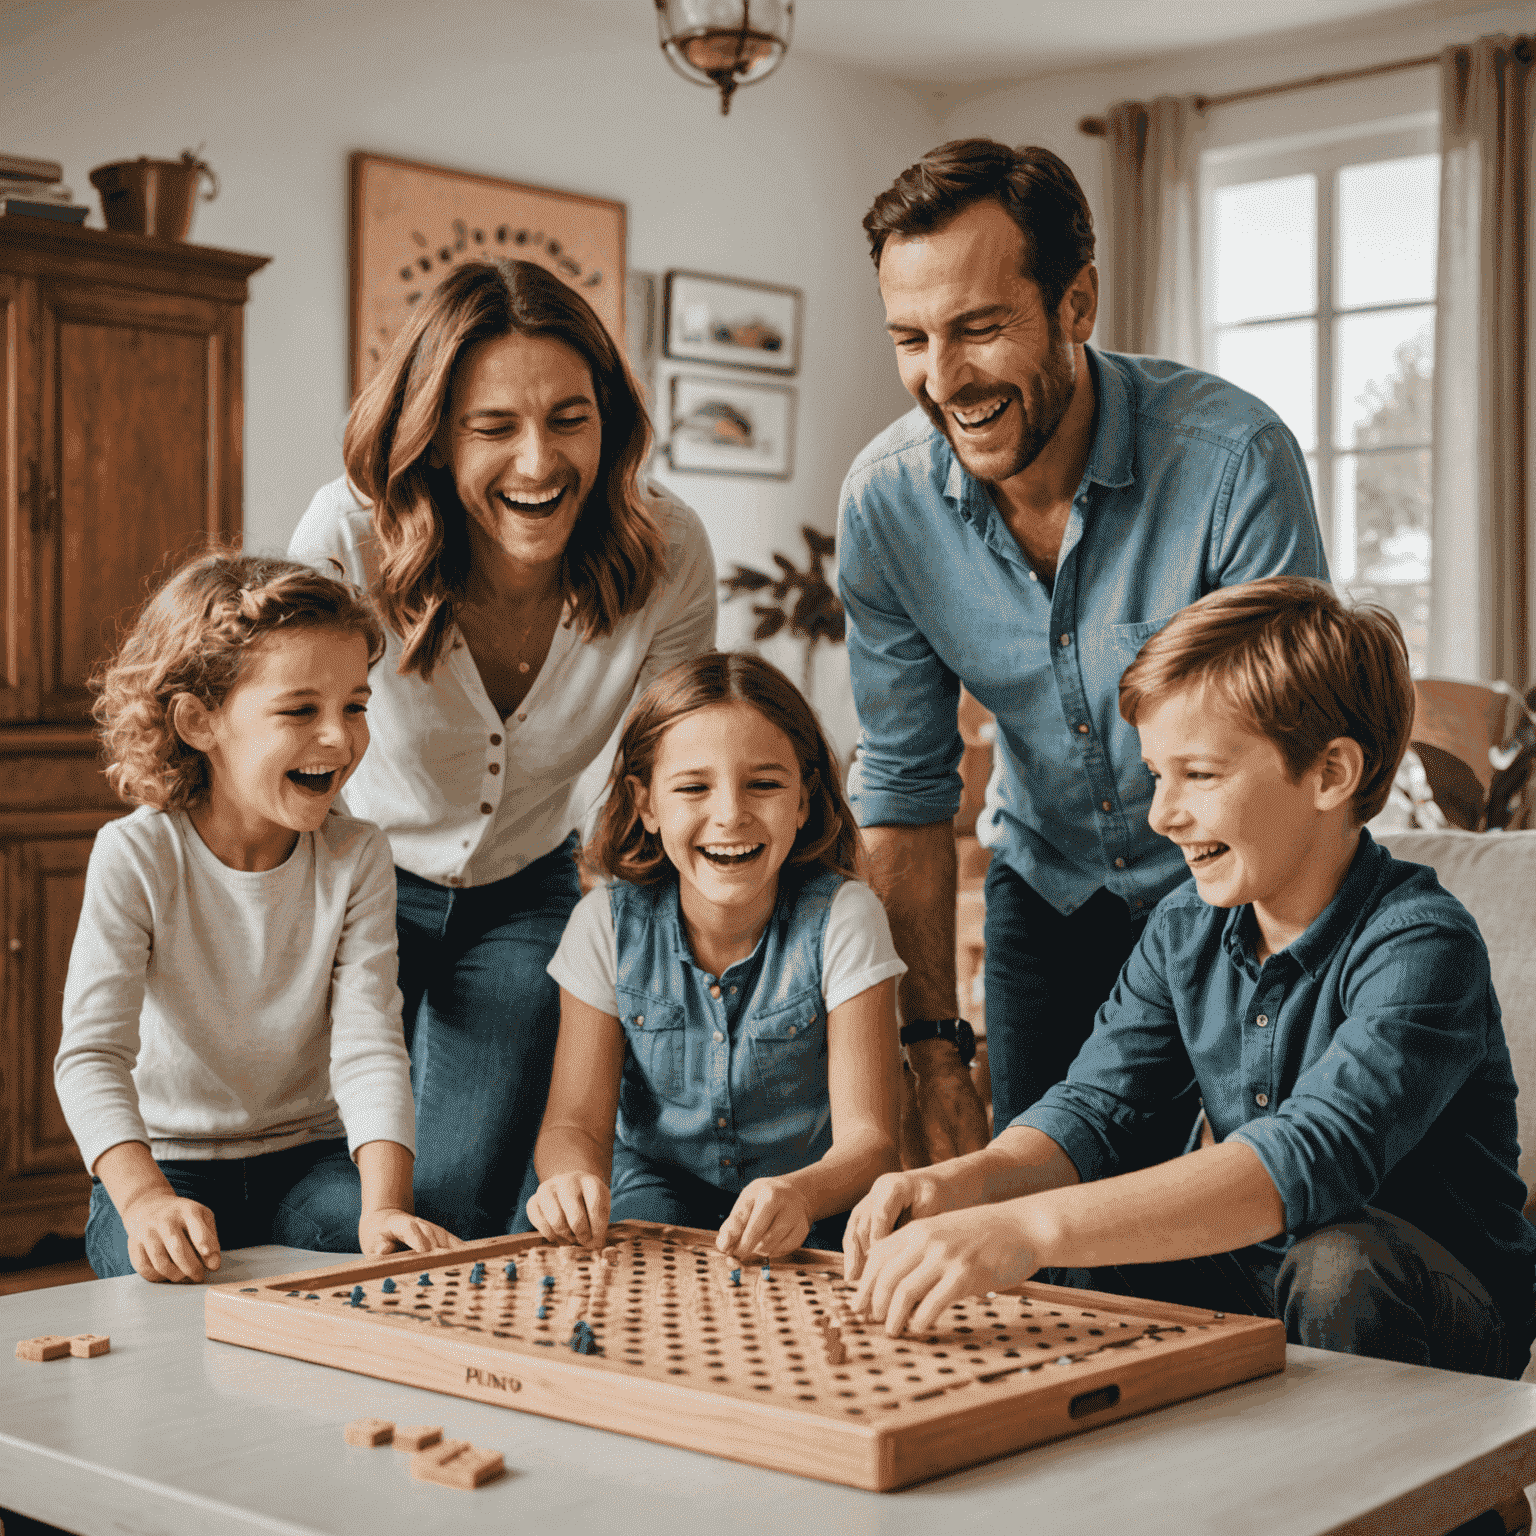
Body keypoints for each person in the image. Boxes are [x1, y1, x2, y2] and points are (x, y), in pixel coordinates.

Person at [842, 577, 1536, 1379]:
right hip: (1263, 1265)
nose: (1161, 815)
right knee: (1075, 1260)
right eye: (1157, 776)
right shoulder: (1186, 925)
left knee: (1339, 1263)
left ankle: (1443, 1508)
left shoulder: (1422, 944)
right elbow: (1097, 1113)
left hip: (1440, 1305)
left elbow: (1304, 1158)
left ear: (1331, 774)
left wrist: (1029, 1227)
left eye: (1199, 775)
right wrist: (964, 1186)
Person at [837, 138, 1328, 1160]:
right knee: (1045, 1228)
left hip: (1237, 883)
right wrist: (933, 1056)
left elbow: (1294, 754)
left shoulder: (1233, 462)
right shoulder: (885, 506)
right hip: (1047, 888)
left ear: (1076, 304)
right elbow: (905, 790)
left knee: (1243, 1225)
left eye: (979, 329)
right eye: (912, 339)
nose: (944, 379)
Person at [289, 259, 716, 1240]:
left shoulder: (670, 548)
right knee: (326, 1196)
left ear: (609, 422)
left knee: (460, 1202)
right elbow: (272, 744)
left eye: (570, 418)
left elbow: (665, 763)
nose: (539, 462)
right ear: (433, 438)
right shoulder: (348, 537)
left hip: (528, 889)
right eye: (494, 427)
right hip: (356, 879)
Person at [56, 553, 459, 1282]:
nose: (339, 738)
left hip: (305, 1163)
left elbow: (370, 1043)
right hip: (169, 1164)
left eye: (356, 706)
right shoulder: (137, 855)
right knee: (161, 1285)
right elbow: (91, 1057)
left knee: (389, 1269)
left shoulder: (358, 854)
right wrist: (144, 1201)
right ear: (198, 720)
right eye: (300, 710)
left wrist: (385, 1208)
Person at [527, 652, 904, 1256]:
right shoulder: (602, 923)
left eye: (764, 784)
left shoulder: (846, 917)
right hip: (657, 1190)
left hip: (815, 1201)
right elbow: (574, 1123)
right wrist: (571, 1180)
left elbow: (870, 1142)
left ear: (804, 801)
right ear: (647, 804)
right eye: (693, 787)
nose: (730, 814)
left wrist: (799, 1196)